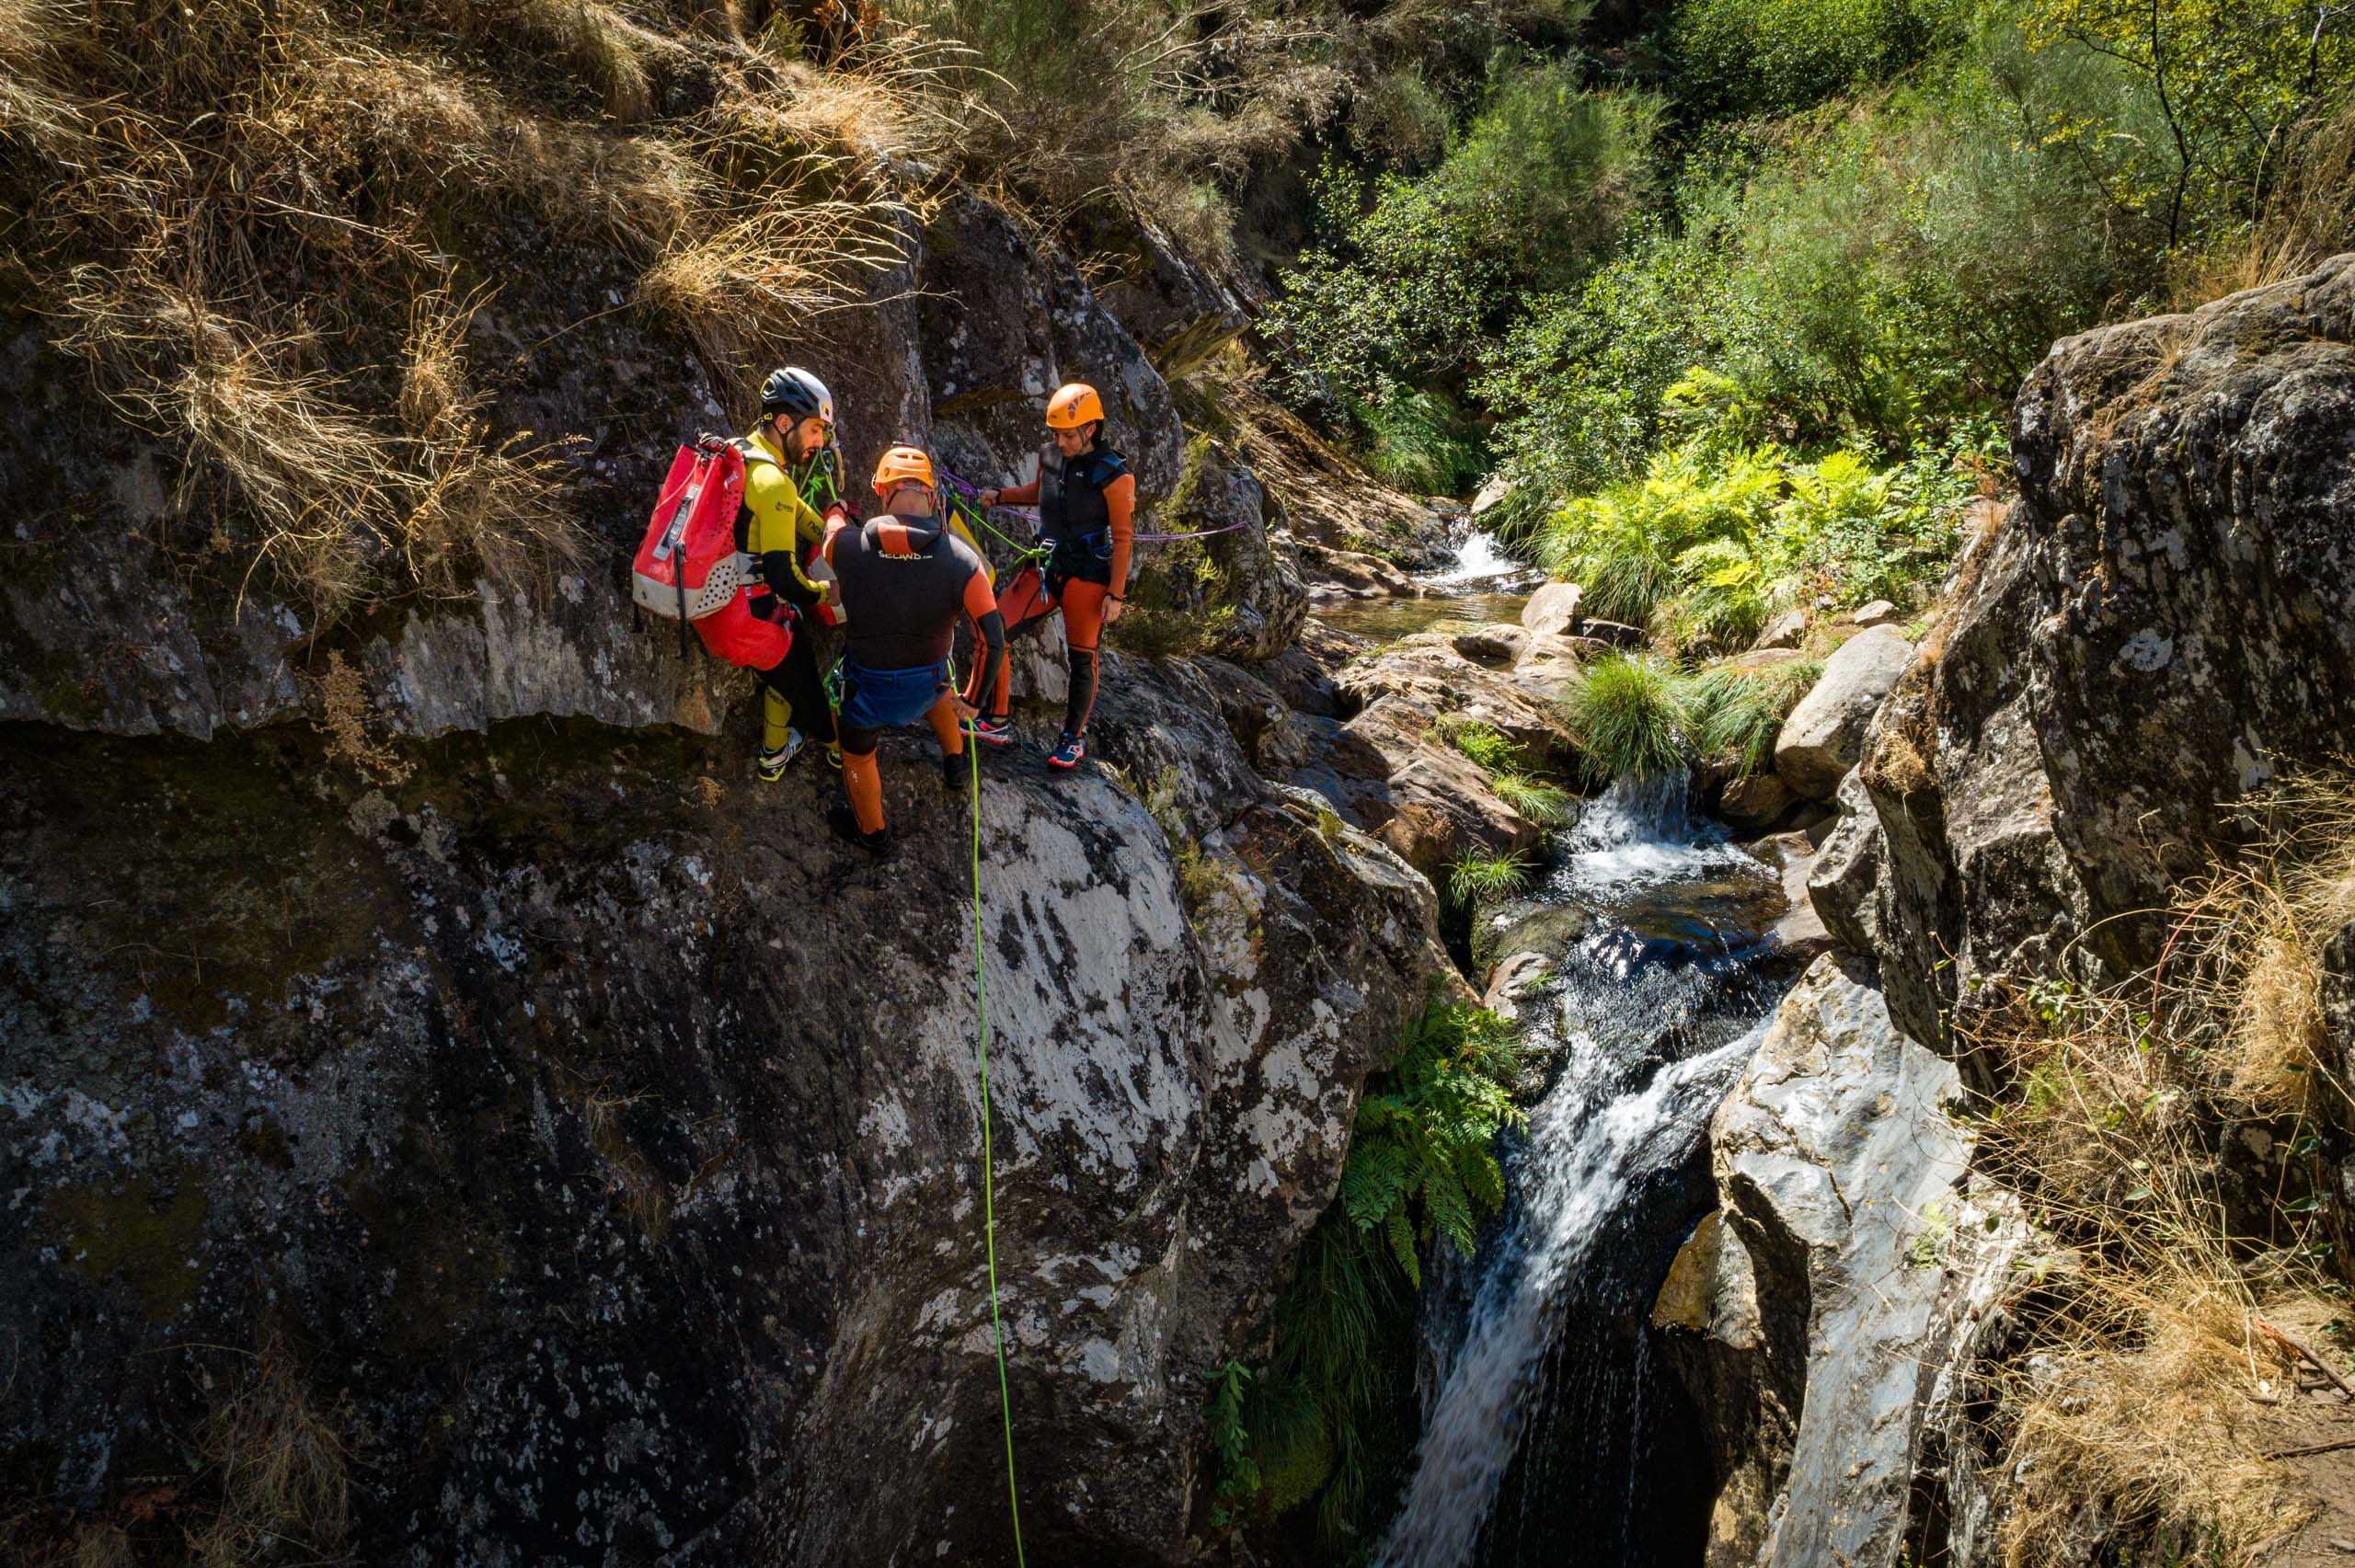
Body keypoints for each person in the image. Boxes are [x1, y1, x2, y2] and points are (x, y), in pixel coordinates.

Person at [821, 446, 1007, 855]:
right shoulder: (963, 561)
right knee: (944, 687)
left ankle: (873, 834)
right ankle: (957, 765)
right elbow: (993, 639)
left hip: (867, 693)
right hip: (928, 685)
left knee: (856, 754)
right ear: (932, 496)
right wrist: (974, 701)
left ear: (882, 494)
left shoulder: (847, 547)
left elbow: (829, 533)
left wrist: (834, 509)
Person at [968, 382, 1134, 772]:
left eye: (1068, 434)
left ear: (1090, 429)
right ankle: (996, 720)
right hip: (1046, 565)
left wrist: (1117, 594)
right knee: (994, 628)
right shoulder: (1050, 455)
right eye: (1055, 433)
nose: (1060, 441)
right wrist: (1000, 495)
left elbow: (1123, 538)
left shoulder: (1114, 476)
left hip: (1088, 574)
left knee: (1082, 658)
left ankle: (1072, 739)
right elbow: (1038, 492)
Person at [739, 366, 850, 780]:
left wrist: (843, 540)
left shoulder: (744, 454)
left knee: (779, 670)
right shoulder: (774, 481)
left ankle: (774, 754)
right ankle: (841, 750)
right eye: (817, 429)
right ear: (785, 423)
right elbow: (784, 578)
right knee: (812, 702)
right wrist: (826, 592)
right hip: (749, 621)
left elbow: (802, 517)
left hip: (721, 604)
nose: (821, 442)